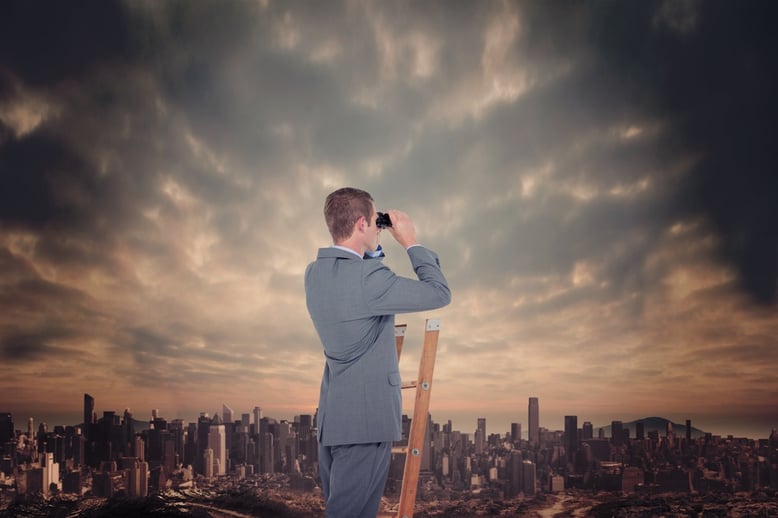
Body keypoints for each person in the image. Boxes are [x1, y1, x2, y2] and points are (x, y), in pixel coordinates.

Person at [305, 187, 451, 517]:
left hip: (335, 422)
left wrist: (372, 246)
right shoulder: (370, 280)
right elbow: (439, 292)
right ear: (361, 223)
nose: (376, 227)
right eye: (374, 222)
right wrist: (410, 241)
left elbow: (358, 282)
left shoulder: (313, 274)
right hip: (366, 425)